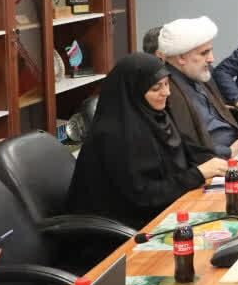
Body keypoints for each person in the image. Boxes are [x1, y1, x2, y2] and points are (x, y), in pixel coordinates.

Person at [68, 53, 226, 230]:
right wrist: (198, 174)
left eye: (166, 84)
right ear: (134, 92)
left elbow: (188, 150)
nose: (166, 92)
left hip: (162, 210)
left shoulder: (155, 115)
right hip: (121, 228)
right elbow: (144, 195)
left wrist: (224, 165)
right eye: (156, 88)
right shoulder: (115, 136)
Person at [158, 16, 238, 160]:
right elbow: (185, 147)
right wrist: (229, 151)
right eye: (204, 53)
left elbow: (223, 117)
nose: (211, 59)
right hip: (216, 160)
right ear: (180, 58)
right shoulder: (166, 90)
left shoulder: (201, 74)